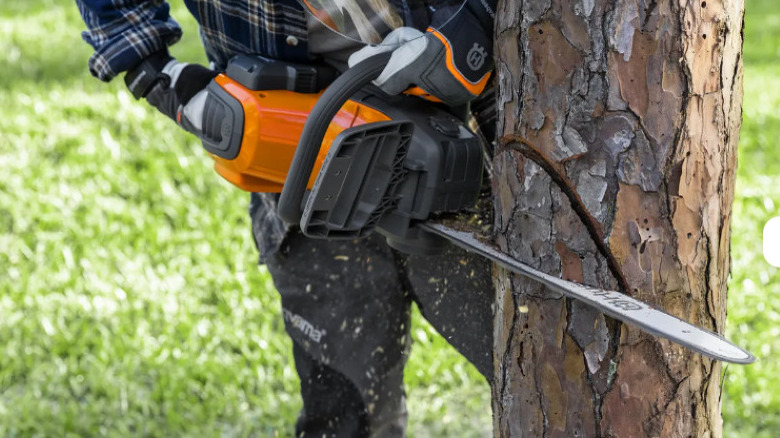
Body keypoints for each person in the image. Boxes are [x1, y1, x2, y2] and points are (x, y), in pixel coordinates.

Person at [76, 1, 497, 436]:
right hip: (302, 162)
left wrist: (475, 18)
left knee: (539, 366)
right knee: (344, 417)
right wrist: (157, 74)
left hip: (463, 139)